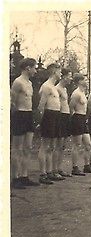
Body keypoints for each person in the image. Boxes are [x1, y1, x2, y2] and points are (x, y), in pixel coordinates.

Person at [10, 58, 40, 189]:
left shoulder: (29, 83)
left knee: (28, 147)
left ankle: (24, 175)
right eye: (34, 68)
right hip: (20, 115)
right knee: (17, 148)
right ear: (28, 68)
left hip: (28, 115)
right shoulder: (18, 82)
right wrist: (16, 117)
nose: (36, 70)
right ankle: (15, 178)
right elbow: (12, 101)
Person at [37, 63, 65, 184]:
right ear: (54, 72)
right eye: (59, 72)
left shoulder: (54, 87)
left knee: (52, 146)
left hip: (56, 116)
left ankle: (49, 172)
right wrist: (39, 122)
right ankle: (42, 174)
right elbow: (41, 106)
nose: (60, 74)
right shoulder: (46, 86)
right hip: (48, 116)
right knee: (45, 145)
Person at [69, 73, 91, 175]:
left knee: (88, 145)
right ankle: (75, 167)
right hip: (77, 118)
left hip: (82, 119)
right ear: (79, 81)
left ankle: (86, 166)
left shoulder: (83, 92)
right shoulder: (76, 93)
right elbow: (71, 107)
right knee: (77, 144)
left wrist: (85, 119)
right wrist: (73, 120)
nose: (86, 81)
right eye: (84, 79)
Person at [54, 68, 73, 177]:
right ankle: (54, 169)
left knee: (63, 146)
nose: (70, 78)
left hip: (66, 116)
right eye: (69, 76)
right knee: (58, 144)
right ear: (63, 76)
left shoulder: (64, 89)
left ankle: (59, 168)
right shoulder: (57, 88)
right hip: (60, 116)